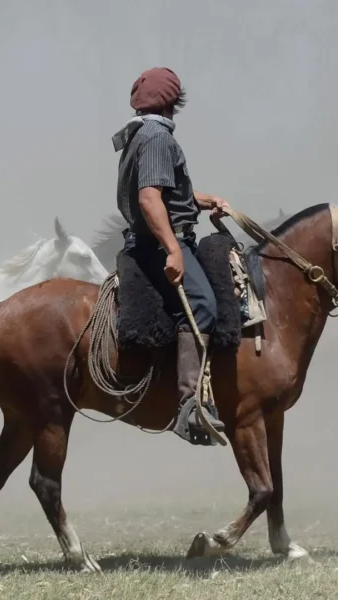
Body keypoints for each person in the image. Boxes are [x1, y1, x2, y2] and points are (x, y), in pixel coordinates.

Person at [112, 67, 228, 445]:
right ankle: (191, 405)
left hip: (154, 239)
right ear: (174, 102)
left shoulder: (139, 134)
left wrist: (201, 199)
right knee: (202, 305)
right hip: (159, 244)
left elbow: (161, 191)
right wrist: (175, 249)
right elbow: (149, 199)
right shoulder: (158, 137)